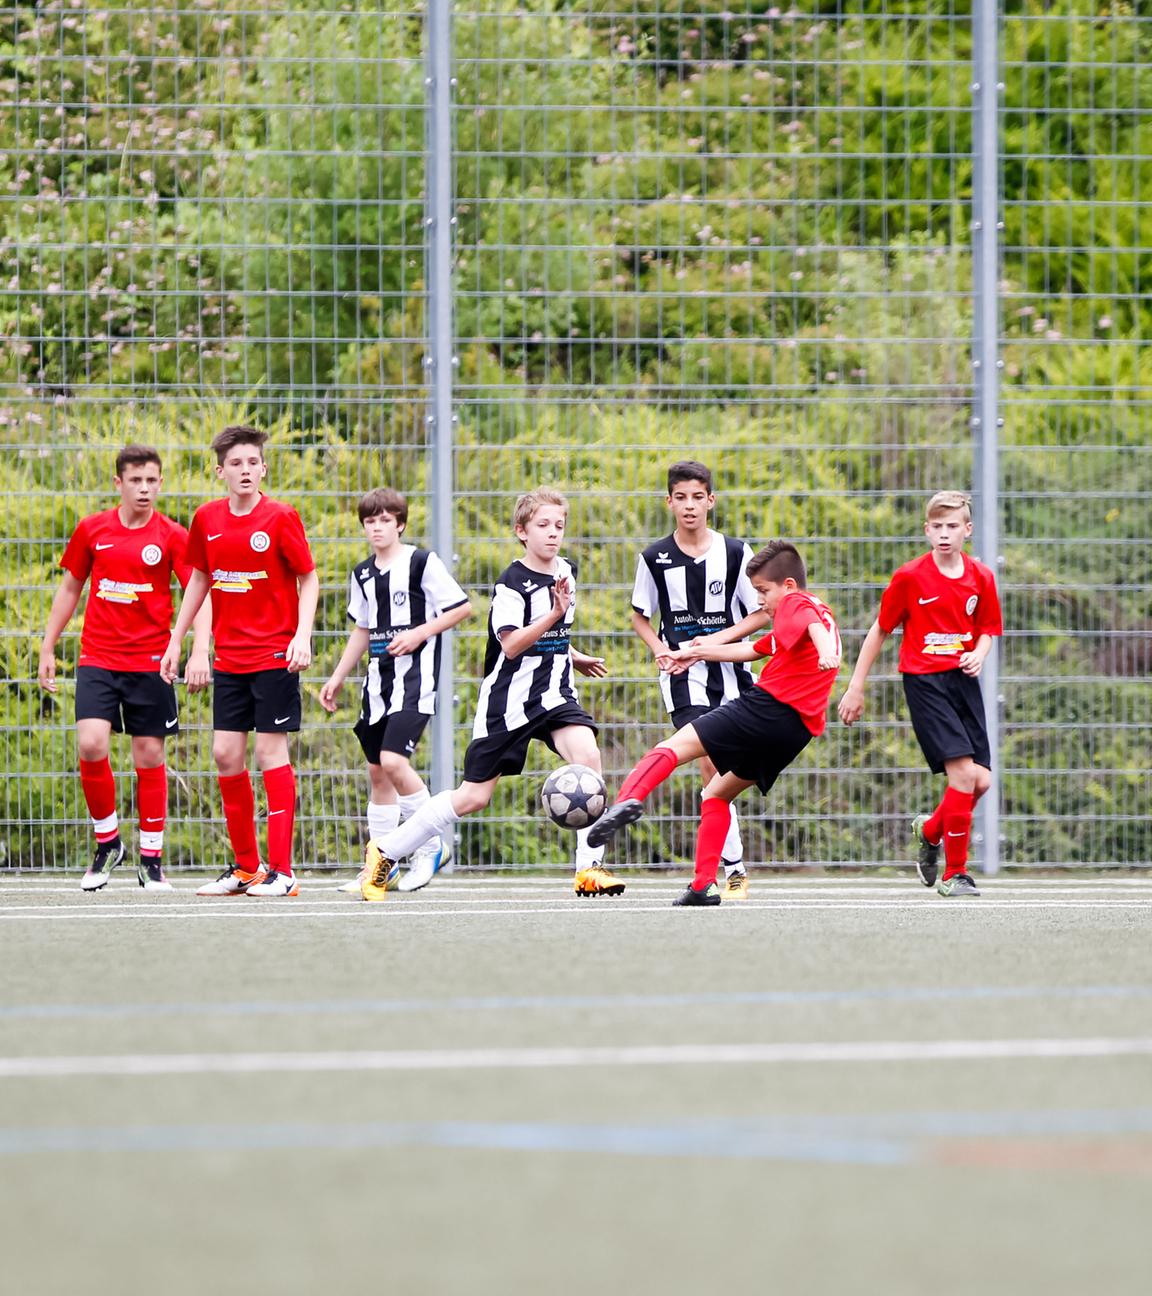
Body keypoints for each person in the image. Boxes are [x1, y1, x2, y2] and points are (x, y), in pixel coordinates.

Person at [357, 487, 623, 901]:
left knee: (588, 759)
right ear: (521, 531)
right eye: (543, 525)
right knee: (473, 796)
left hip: (553, 694)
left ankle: (589, 869)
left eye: (559, 525)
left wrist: (574, 653)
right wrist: (553, 614)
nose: (553, 533)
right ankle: (386, 851)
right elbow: (513, 644)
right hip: (508, 703)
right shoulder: (511, 585)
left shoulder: (566, 571)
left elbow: (554, 632)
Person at [589, 541, 840, 906]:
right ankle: (702, 886)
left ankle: (626, 800)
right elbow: (752, 649)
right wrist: (695, 653)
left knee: (672, 748)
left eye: (763, 592)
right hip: (795, 732)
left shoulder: (797, 604)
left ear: (788, 585)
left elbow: (811, 626)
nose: (759, 602)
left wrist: (827, 653)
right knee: (717, 794)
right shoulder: (821, 609)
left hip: (765, 709)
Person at [38, 444, 212, 892]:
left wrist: (196, 651)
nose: (144, 488)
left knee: (149, 756)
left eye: (152, 480)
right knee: (91, 744)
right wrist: (47, 646)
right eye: (135, 480)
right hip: (97, 657)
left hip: (152, 663)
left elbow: (200, 591)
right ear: (118, 483)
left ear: (160, 483)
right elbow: (71, 588)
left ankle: (151, 859)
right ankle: (107, 842)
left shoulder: (172, 535)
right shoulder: (93, 530)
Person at [160, 426, 318, 897]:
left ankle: (283, 872)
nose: (245, 470)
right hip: (229, 658)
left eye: (253, 462)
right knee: (226, 755)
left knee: (270, 753)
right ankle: (246, 868)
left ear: (263, 468)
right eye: (236, 464)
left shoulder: (280, 517)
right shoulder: (206, 519)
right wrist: (179, 642)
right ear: (221, 472)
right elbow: (199, 581)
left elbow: (309, 579)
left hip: (274, 655)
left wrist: (302, 637)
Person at [837, 490, 1002, 898]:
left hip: (963, 682)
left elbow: (988, 631)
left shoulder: (981, 576)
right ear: (927, 530)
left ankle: (930, 832)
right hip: (925, 682)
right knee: (963, 775)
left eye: (953, 526)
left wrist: (978, 655)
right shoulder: (910, 577)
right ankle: (955, 874)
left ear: (967, 530)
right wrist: (856, 686)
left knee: (980, 781)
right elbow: (880, 629)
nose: (944, 534)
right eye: (937, 527)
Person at [319, 487, 473, 893]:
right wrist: (337, 676)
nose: (377, 528)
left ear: (400, 524)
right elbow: (363, 630)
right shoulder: (363, 574)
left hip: (415, 682)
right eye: (371, 521)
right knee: (377, 773)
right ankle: (379, 864)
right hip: (377, 685)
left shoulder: (422, 562)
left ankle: (429, 846)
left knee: (392, 760)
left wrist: (420, 632)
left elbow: (462, 607)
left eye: (386, 520)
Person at [630, 460, 767, 898]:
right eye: (681, 497)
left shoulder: (735, 553)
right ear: (669, 502)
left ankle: (729, 865)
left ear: (711, 501)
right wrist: (661, 651)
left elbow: (763, 613)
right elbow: (639, 617)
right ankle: (734, 868)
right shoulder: (654, 558)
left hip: (733, 676)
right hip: (683, 681)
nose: (690, 506)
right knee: (711, 763)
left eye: (698, 497)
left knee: (725, 771)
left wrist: (713, 643)